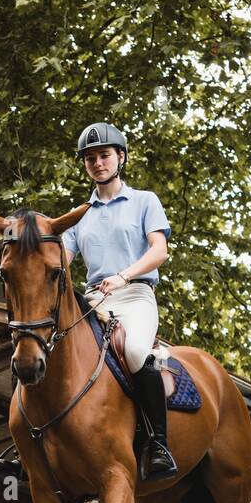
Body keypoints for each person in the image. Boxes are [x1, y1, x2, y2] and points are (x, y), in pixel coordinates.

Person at [62, 122, 178, 482]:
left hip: (134, 294)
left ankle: (158, 443)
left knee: (135, 351)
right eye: (90, 158)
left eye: (104, 155)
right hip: (94, 301)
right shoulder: (78, 216)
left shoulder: (145, 201)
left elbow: (159, 250)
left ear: (120, 157)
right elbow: (59, 262)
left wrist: (124, 276)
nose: (98, 163)